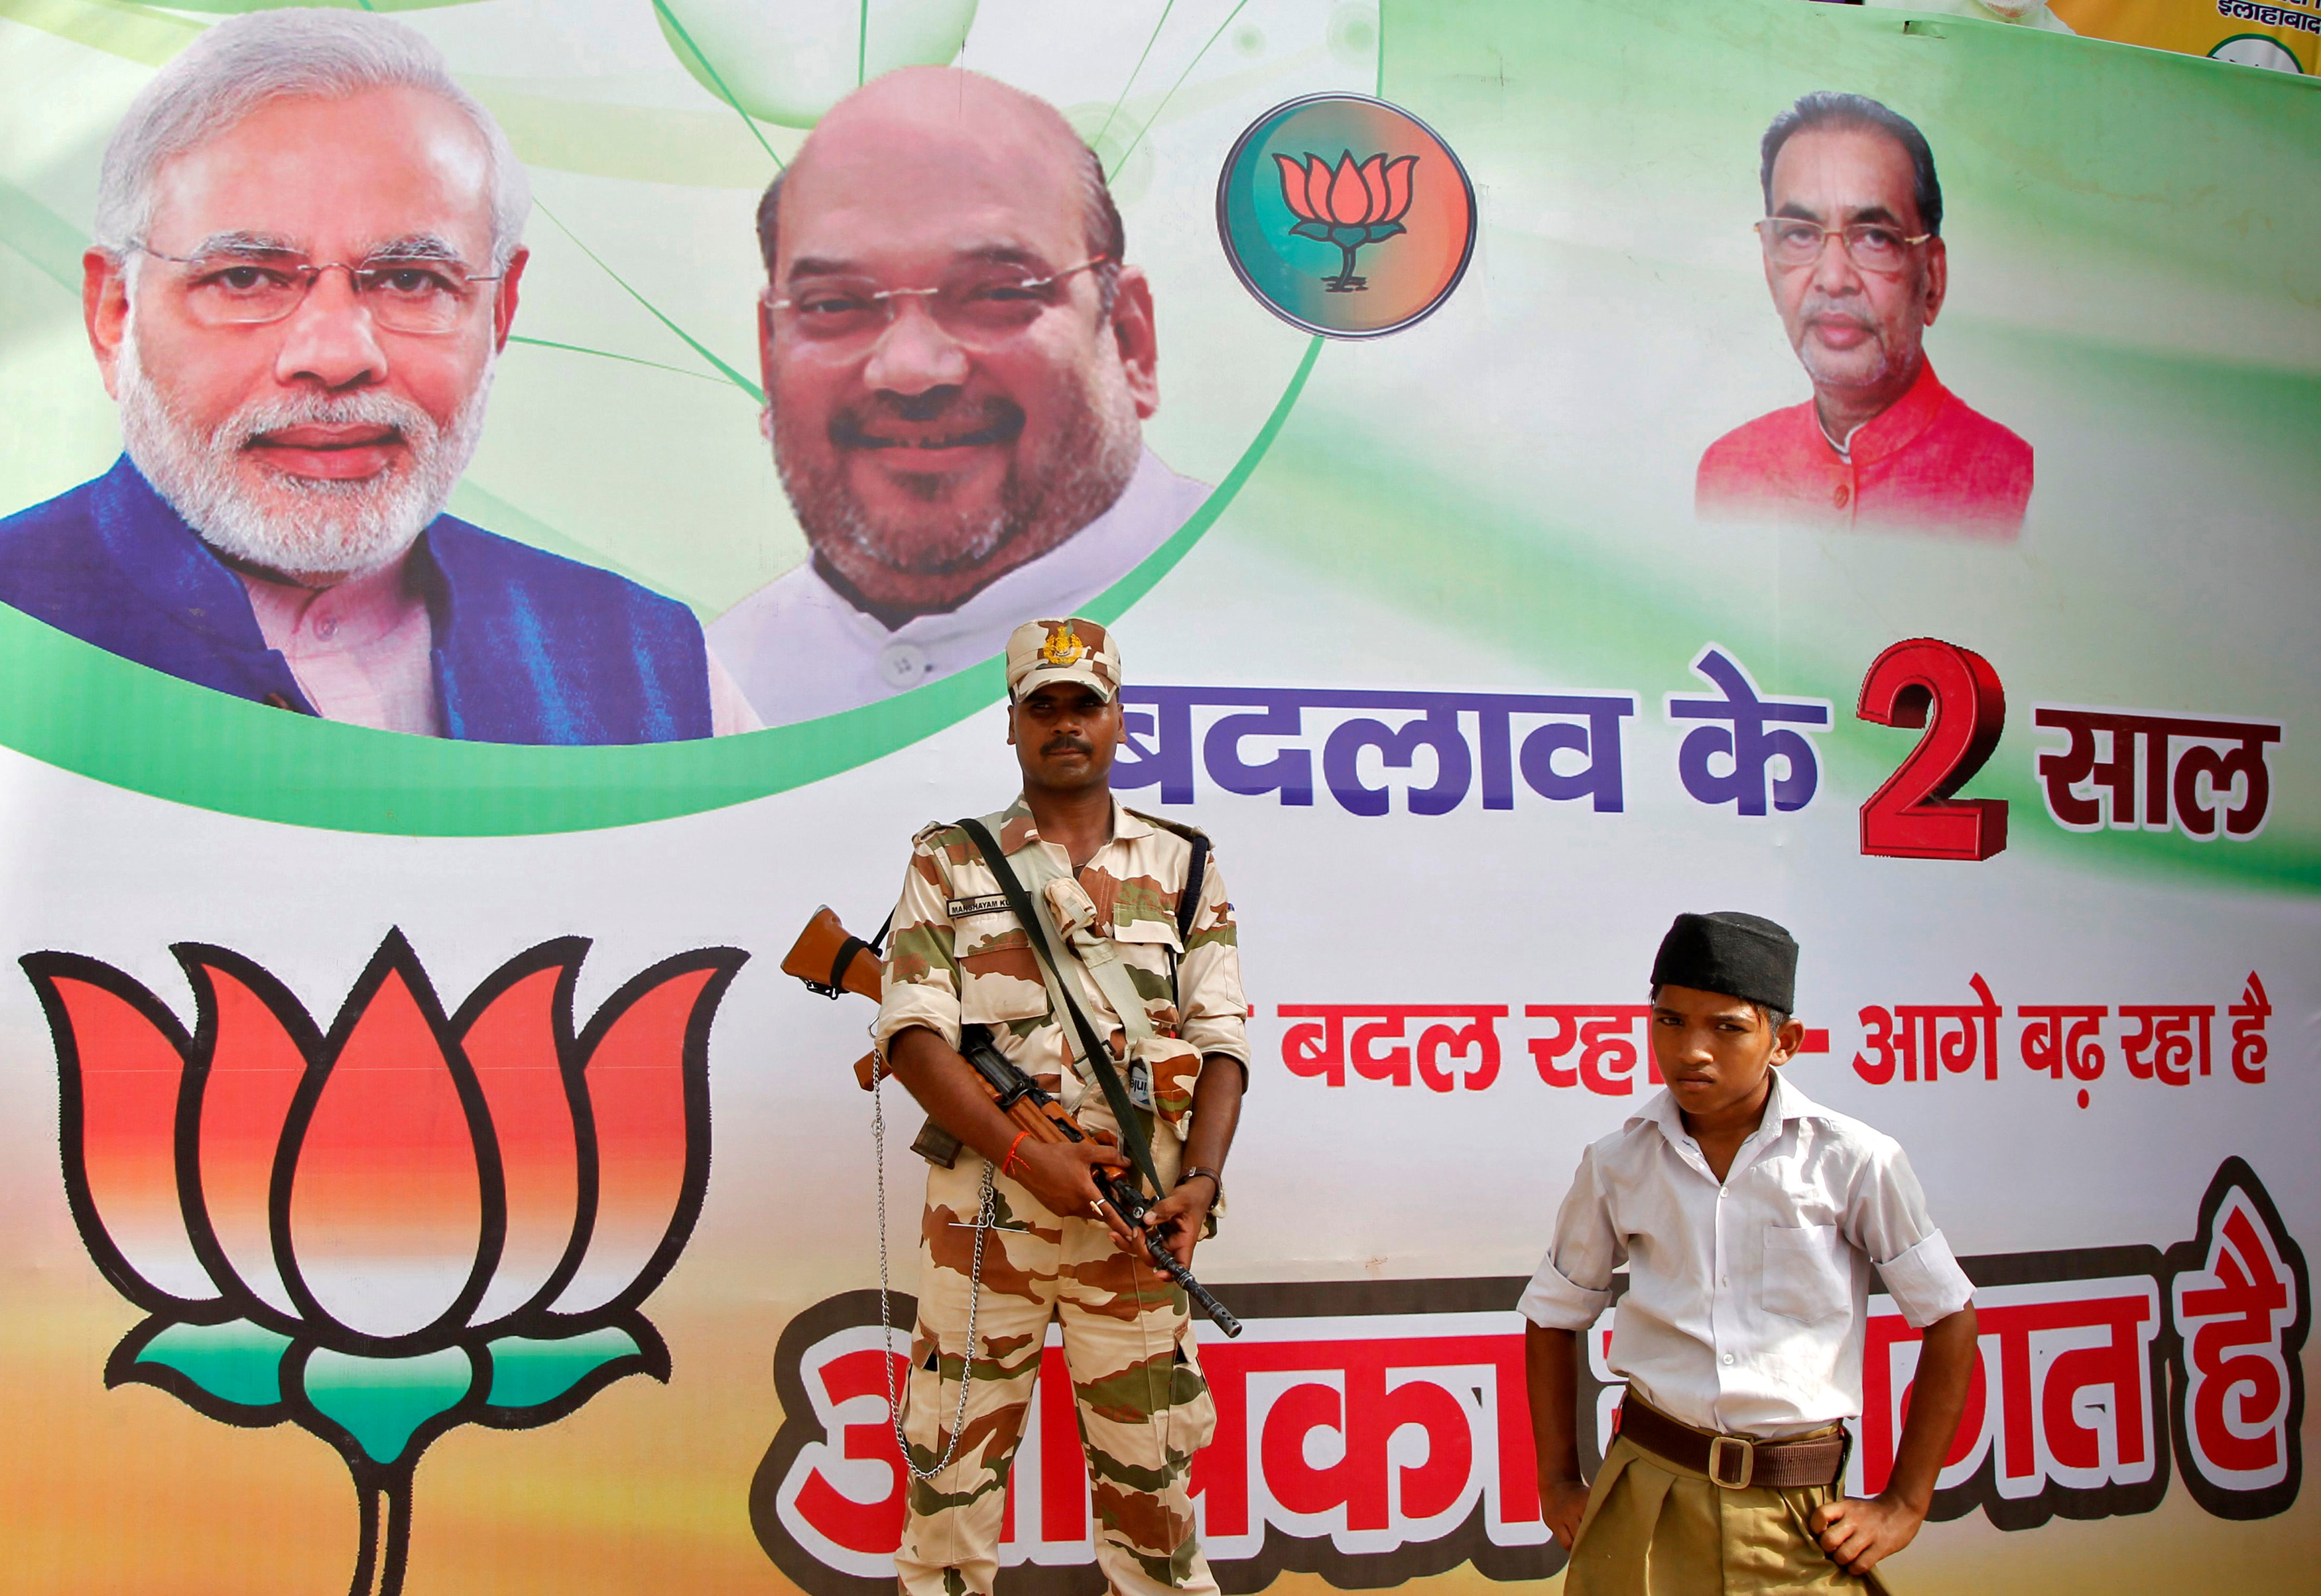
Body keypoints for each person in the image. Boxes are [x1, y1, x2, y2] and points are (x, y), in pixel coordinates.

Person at [0, 9, 754, 743]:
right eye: (246, 278)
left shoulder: (653, 670)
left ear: (498, 313)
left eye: (409, 281)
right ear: (115, 311)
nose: (335, 355)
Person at [871, 616, 1247, 1596]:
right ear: (1012, 723)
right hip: (983, 1228)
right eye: (1044, 704)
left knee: (1154, 1508)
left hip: (1135, 1229)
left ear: (1119, 717)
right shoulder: (948, 861)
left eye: (1086, 703)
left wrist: (1200, 1182)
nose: (1065, 722)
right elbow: (912, 1037)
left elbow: (1223, 1045)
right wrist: (1027, 1154)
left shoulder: (1184, 865)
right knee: (946, 1508)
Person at [710, 70, 1210, 726]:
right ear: (768, 356)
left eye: (997, 293)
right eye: (834, 304)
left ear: (1128, 338)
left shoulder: (1312, 633)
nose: (912, 370)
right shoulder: (693, 703)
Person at [1521, 912, 1979, 1593]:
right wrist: (1557, 1480)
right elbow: (1553, 1316)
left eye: (1727, 1027)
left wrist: (1903, 1503)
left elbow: (1949, 1316)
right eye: (1669, 1021)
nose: (1691, 1050)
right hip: (1645, 1493)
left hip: (1793, 1512)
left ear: (1782, 1042)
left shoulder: (1852, 1161)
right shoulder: (1618, 1162)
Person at [1697, 93, 2033, 538]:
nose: (1834, 278)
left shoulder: (2020, 487)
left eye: (1874, 237)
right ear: (1769, 268)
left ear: (1931, 277)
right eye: (1800, 234)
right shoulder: (1729, 472)